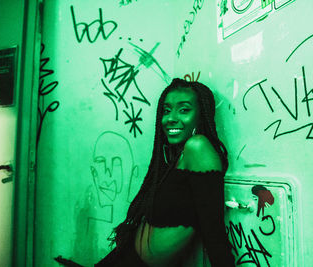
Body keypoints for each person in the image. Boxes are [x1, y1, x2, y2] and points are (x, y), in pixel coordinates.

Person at [56, 78, 235, 266]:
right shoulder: (175, 157)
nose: (170, 118)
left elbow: (214, 234)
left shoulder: (198, 147)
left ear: (201, 115)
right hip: (125, 257)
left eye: (184, 110)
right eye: (166, 110)